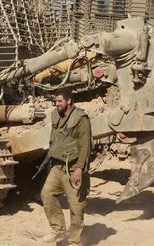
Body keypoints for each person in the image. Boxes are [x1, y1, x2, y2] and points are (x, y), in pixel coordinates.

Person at [40, 88, 92, 245]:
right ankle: (58, 229)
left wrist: (79, 168)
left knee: (76, 207)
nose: (56, 104)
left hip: (73, 168)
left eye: (59, 101)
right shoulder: (55, 115)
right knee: (46, 194)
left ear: (69, 101)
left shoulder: (81, 119)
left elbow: (85, 146)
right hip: (57, 166)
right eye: (55, 101)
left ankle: (74, 241)